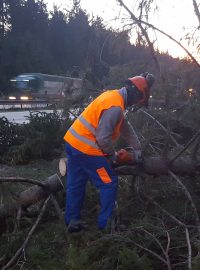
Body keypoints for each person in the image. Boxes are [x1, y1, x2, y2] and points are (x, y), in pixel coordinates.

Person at [63, 72, 155, 233]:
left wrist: (137, 147)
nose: (135, 104)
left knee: (76, 183)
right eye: (138, 101)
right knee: (108, 182)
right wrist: (112, 157)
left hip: (72, 143)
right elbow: (103, 139)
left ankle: (72, 220)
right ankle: (106, 224)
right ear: (135, 95)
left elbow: (125, 126)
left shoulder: (113, 96)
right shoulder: (115, 108)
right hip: (87, 151)